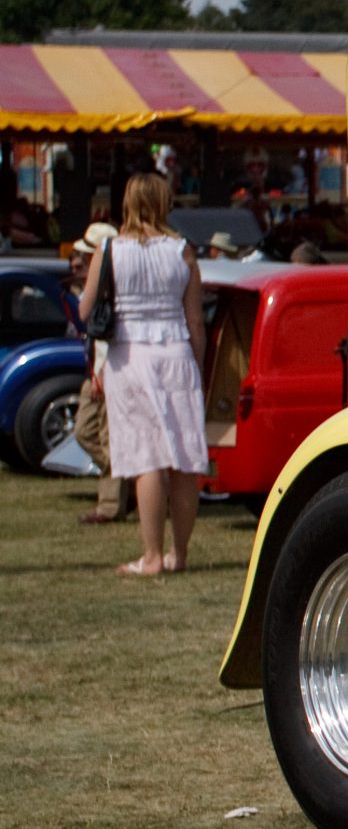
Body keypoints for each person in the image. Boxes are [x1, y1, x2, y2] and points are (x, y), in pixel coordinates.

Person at [77, 172, 208, 576]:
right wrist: (198, 369)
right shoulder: (183, 251)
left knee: (145, 457)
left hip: (129, 355)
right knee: (184, 459)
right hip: (176, 353)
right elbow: (195, 320)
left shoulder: (110, 249)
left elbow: (85, 311)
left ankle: (151, 556)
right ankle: (179, 555)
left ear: (128, 203)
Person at [67, 224, 138, 525]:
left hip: (108, 370)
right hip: (94, 371)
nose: (79, 261)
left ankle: (110, 505)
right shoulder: (93, 288)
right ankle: (136, 483)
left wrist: (101, 374)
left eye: (85, 255)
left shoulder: (112, 290)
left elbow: (107, 335)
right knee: (84, 432)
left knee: (111, 439)